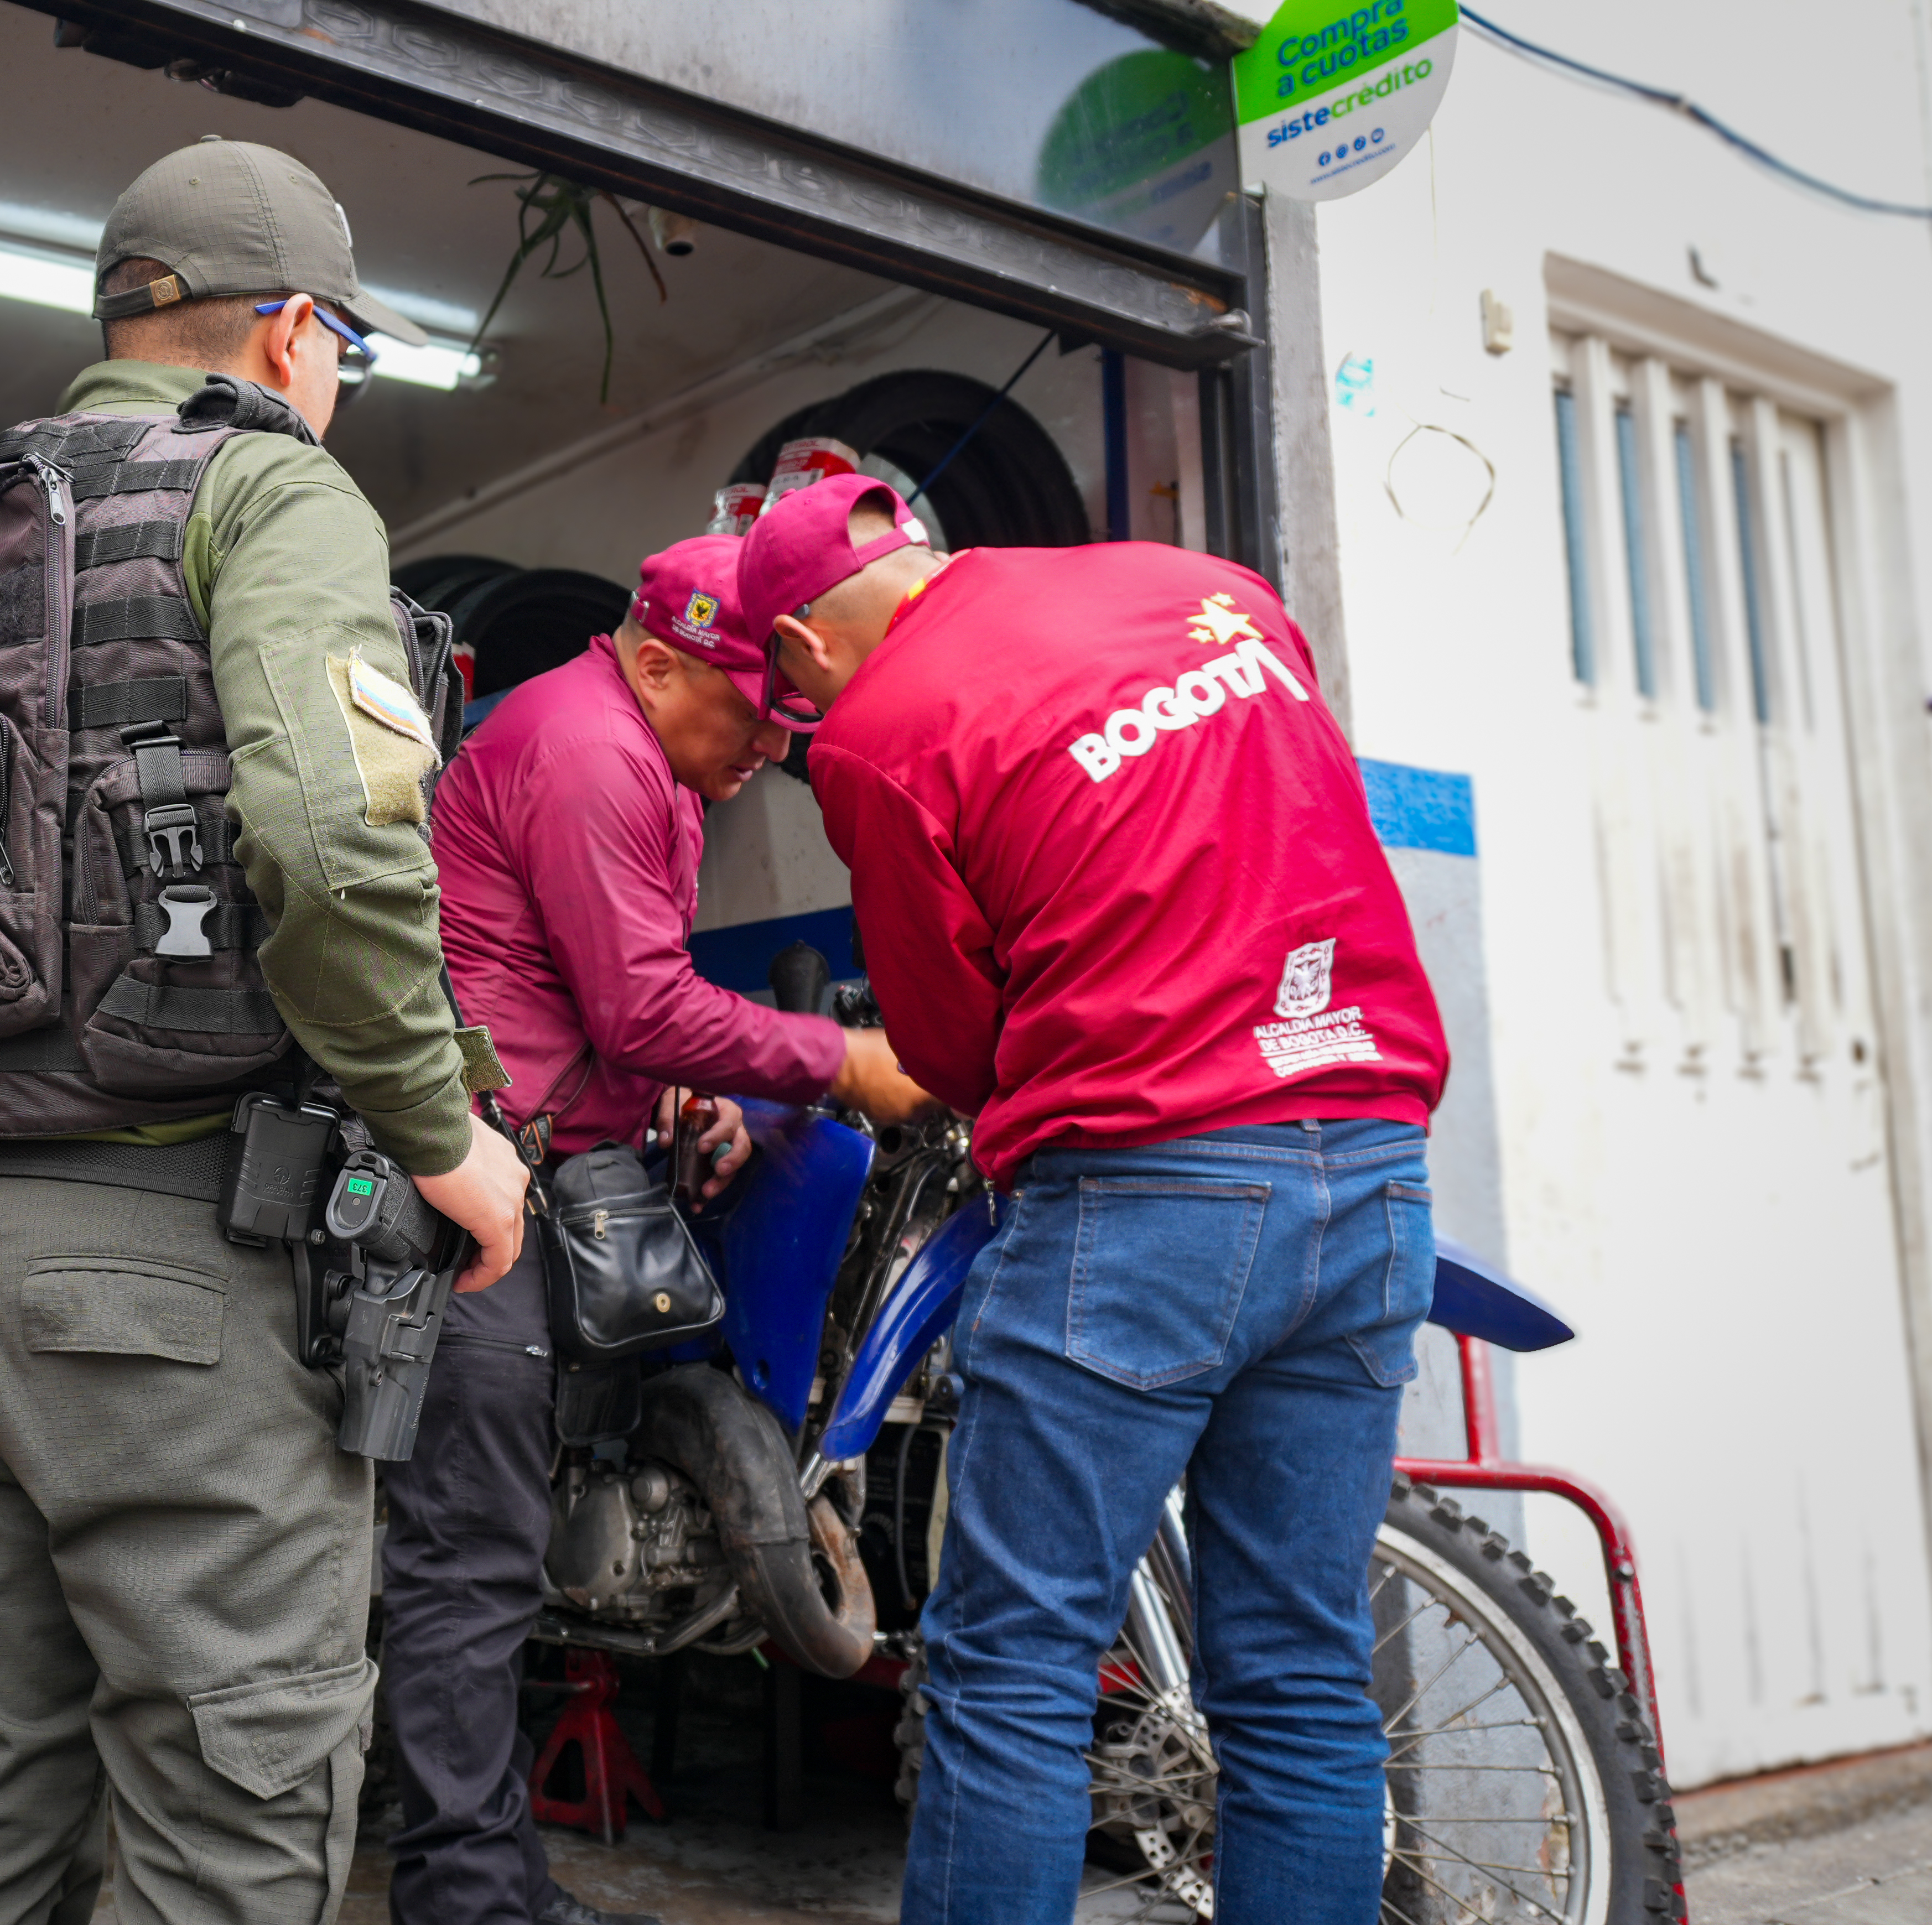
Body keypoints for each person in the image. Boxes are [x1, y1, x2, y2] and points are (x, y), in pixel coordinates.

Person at [0, 139, 531, 1925]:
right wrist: (444, 1136)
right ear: (293, 332)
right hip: (169, 1277)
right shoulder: (268, 495)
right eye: (341, 354)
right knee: (233, 1800)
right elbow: (328, 836)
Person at [748, 474, 1450, 1924]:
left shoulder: (877, 735)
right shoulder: (1200, 587)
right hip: (1369, 1164)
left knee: (1010, 1672)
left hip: (1144, 1199)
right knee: (1299, 1673)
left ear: (806, 651)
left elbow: (946, 1047)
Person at [404, 536, 932, 1925]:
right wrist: (843, 1059)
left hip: (559, 1167)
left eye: (783, 706)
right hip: (477, 1200)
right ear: (652, 660)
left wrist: (681, 1084)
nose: (771, 732)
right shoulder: (590, 750)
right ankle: (464, 1903)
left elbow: (594, 989)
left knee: (506, 1555)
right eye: (749, 703)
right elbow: (634, 1002)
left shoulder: (657, 756)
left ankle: (495, 1884)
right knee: (468, 1566)